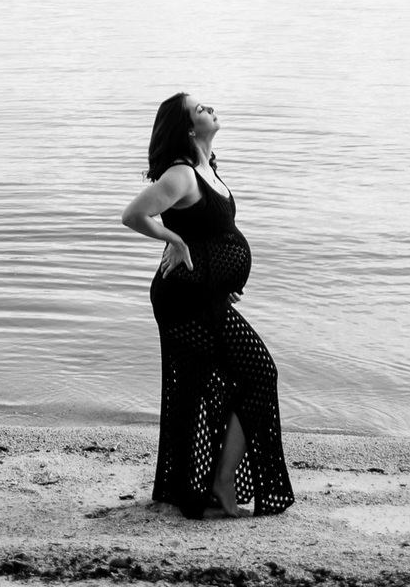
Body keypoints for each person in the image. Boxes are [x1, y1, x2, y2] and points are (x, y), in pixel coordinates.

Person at [121, 92, 295, 519]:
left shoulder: (207, 169)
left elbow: (210, 235)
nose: (210, 109)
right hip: (183, 301)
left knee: (233, 381)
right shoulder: (181, 174)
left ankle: (210, 480)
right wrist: (173, 240)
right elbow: (134, 214)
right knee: (255, 374)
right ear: (188, 128)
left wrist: (218, 281)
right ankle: (217, 480)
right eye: (200, 109)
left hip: (203, 296)